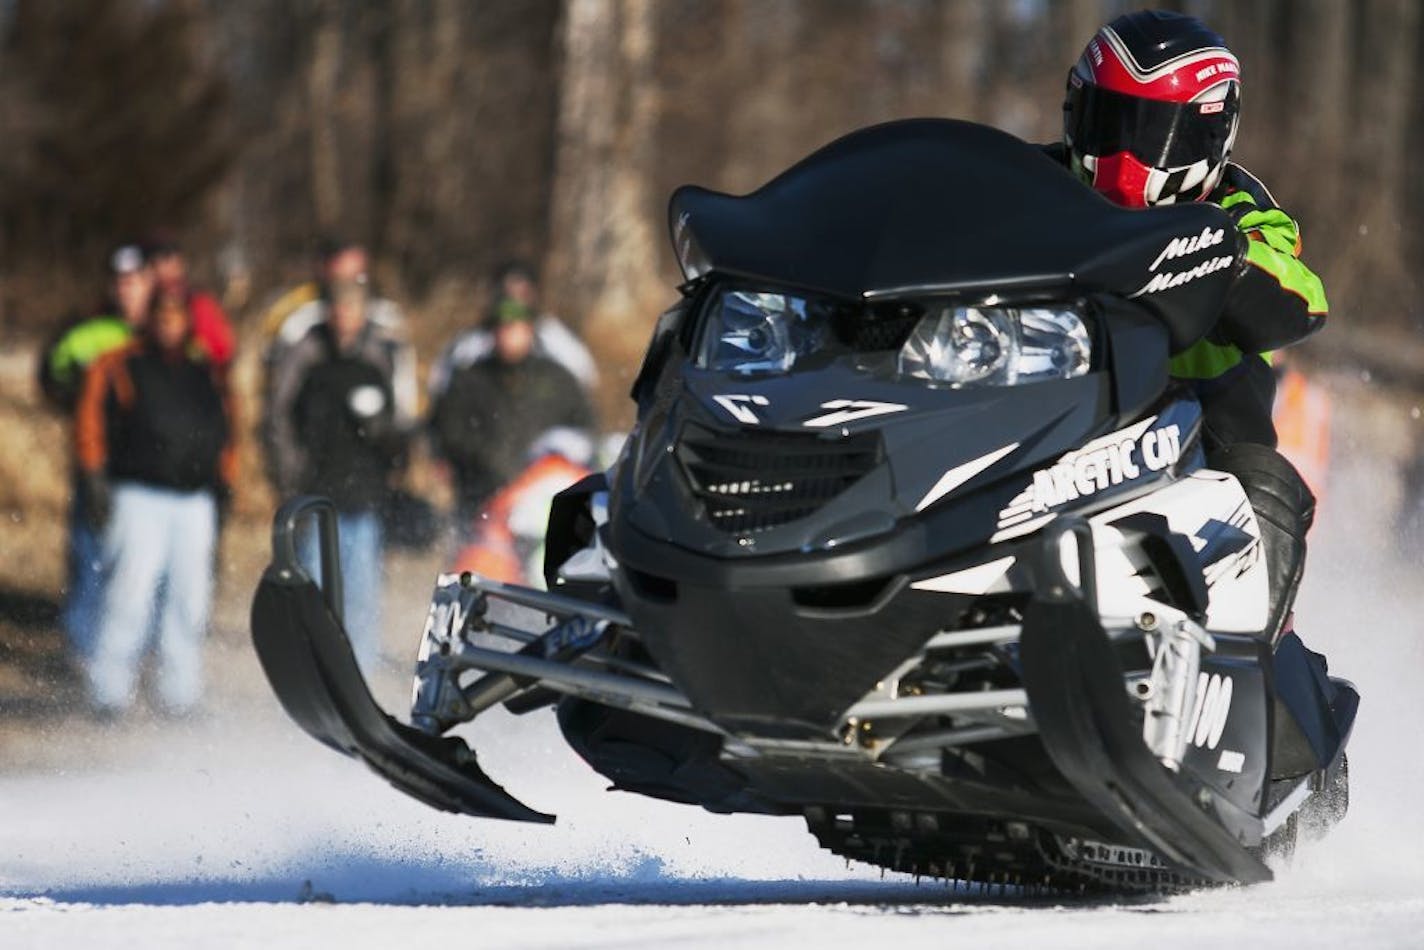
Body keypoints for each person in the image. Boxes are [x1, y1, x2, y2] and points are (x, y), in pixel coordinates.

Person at [1055, 10, 1327, 641]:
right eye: (1111, 120)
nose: (1123, 152)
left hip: (1196, 432)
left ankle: (1261, 648)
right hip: (1045, 403)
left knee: (1261, 476)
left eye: (1150, 131)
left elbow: (1302, 295)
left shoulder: (1240, 204)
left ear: (1209, 136)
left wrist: (1227, 259)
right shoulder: (1033, 181)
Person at [74, 288, 236, 718]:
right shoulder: (123, 363)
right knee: (130, 592)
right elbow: (91, 420)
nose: (168, 324)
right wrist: (93, 476)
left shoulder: (204, 370)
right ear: (150, 320)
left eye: (175, 316)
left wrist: (225, 481)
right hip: (138, 494)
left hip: (193, 498)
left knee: (190, 597)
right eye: (161, 316)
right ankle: (110, 690)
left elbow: (226, 426)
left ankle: (179, 692)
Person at [261, 277, 415, 671]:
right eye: (338, 307)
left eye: (352, 307)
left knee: (362, 589)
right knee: (314, 586)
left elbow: (404, 422)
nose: (344, 315)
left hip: (365, 494)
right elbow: (279, 417)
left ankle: (359, 669)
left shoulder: (381, 357)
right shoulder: (307, 354)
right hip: (316, 490)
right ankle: (312, 665)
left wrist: (389, 442)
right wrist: (290, 475)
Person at [39, 245, 155, 661]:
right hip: (97, 465)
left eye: (135, 281)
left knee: (140, 571)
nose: (128, 291)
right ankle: (84, 655)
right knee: (90, 561)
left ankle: (137, 657)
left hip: (147, 471)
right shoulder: (88, 331)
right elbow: (51, 377)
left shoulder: (164, 333)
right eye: (121, 283)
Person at [429, 301, 596, 534]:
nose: (509, 336)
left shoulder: (556, 379)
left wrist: (548, 464)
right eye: (503, 329)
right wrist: (490, 460)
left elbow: (584, 430)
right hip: (480, 497)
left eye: (516, 328)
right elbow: (448, 432)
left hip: (541, 502)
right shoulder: (469, 380)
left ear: (530, 330)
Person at [428, 260, 597, 402]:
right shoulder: (469, 345)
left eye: (521, 294)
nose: (514, 303)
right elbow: (440, 386)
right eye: (507, 295)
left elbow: (585, 381)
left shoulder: (557, 341)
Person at [145, 235, 238, 369]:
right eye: (156, 261)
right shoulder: (145, 304)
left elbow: (222, 349)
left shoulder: (200, 304)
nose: (164, 267)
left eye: (168, 258)